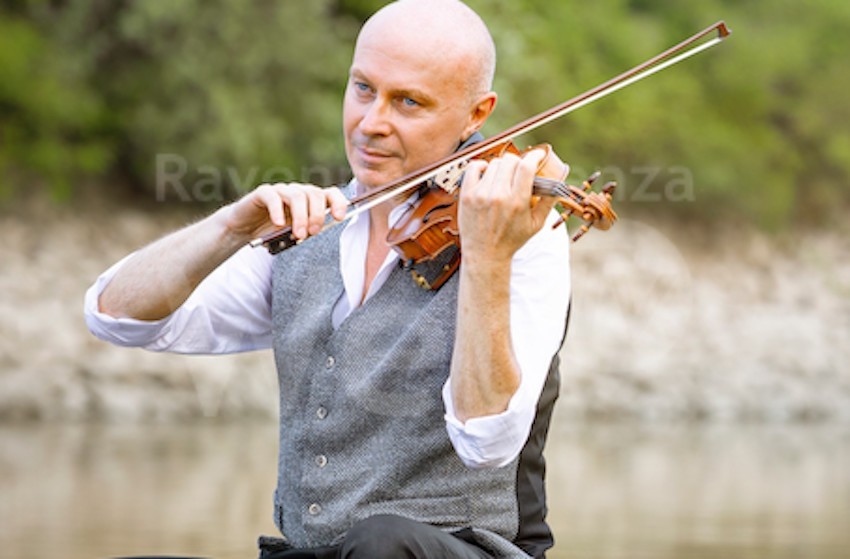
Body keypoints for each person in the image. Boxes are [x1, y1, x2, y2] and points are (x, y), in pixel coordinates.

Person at [84, 1, 572, 557]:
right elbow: (114, 315)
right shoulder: (313, 229)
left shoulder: (524, 237)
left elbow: (487, 441)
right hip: (315, 552)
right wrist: (229, 228)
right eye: (363, 89)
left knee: (381, 545)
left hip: (464, 551)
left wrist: (486, 255)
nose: (372, 122)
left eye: (408, 102)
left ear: (475, 114)